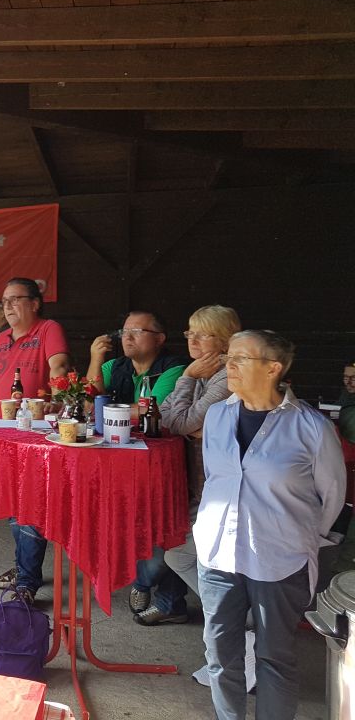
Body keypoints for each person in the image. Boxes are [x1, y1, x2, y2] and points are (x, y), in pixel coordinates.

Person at [195, 330, 345, 720]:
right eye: (230, 355)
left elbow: (331, 495)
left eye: (242, 358)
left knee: (274, 656)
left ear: (273, 368)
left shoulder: (311, 427)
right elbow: (216, 476)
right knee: (219, 655)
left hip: (280, 558)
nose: (230, 364)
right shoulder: (217, 415)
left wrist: (295, 536)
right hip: (218, 554)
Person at [135, 305, 241, 626]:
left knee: (178, 554)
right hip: (198, 483)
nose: (193, 340)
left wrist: (185, 378)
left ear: (224, 341)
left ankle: (231, 616)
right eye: (189, 332)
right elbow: (161, 417)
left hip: (222, 492)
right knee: (173, 548)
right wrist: (186, 419)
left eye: (202, 334)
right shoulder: (201, 373)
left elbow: (177, 420)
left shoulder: (226, 378)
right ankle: (223, 614)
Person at [87, 310, 187, 618]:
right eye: (123, 331)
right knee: (128, 526)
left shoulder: (174, 368)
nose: (126, 337)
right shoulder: (113, 365)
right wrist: (94, 356)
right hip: (119, 464)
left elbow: (150, 411)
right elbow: (87, 395)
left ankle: (149, 588)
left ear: (159, 339)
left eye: (137, 331)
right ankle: (151, 589)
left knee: (165, 531)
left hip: (161, 464)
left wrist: (102, 407)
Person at [0, 278, 70, 602]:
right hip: (0, 436)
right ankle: (24, 569)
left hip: (34, 437)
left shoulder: (48, 330)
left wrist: (60, 404)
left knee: (30, 508)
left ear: (35, 303)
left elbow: (58, 368)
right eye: (4, 300)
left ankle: (27, 582)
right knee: (14, 508)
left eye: (16, 299)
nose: (8, 306)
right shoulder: (0, 339)